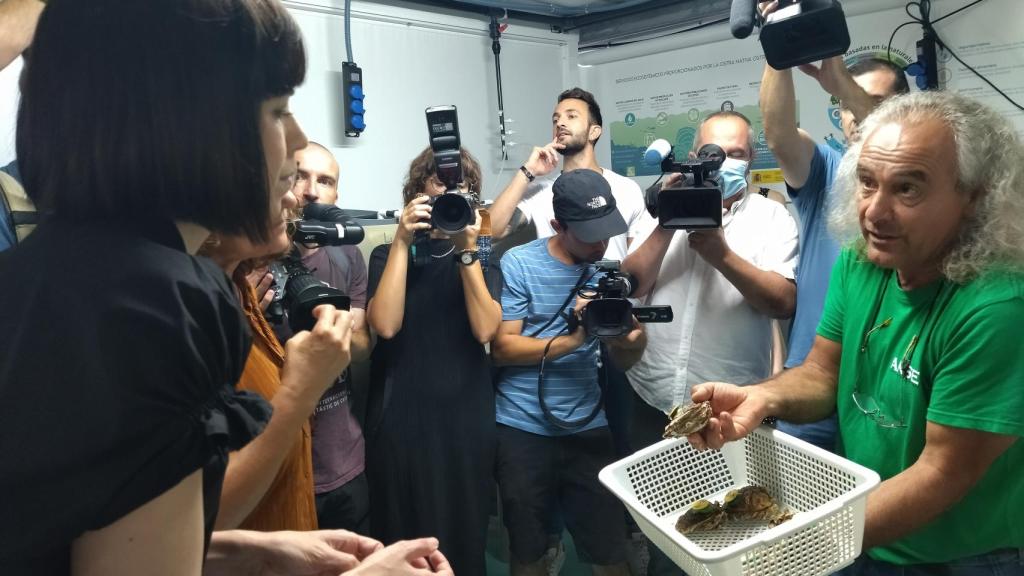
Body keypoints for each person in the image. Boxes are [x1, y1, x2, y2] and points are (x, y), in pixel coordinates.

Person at [0, 1, 452, 574]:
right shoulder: (164, 298)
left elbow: (94, 531)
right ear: (193, 125)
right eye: (277, 110)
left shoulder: (55, 268)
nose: (299, 138)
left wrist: (253, 549)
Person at [689, 90, 1024, 575]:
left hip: (967, 552)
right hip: (869, 522)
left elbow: (944, 471)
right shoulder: (863, 261)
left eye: (908, 188)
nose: (874, 212)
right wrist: (762, 398)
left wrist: (804, 540)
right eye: (868, 183)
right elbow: (823, 372)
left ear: (974, 196)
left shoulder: (996, 307)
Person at [491, 168, 646, 576]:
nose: (599, 244)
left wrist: (630, 343)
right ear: (558, 225)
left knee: (611, 551)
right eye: (588, 234)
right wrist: (574, 340)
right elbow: (502, 348)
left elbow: (626, 359)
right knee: (527, 554)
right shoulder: (520, 263)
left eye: (605, 232)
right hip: (522, 428)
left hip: (587, 425)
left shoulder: (609, 273)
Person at [760, 34, 910, 449]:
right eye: (846, 105)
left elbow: (898, 138)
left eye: (873, 102)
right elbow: (778, 134)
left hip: (888, 377)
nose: (857, 117)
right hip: (813, 370)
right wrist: (779, 42)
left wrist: (842, 81)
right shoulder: (827, 169)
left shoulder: (924, 184)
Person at [365, 146, 502, 576]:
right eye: (441, 181)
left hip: (464, 418)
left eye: (462, 186)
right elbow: (385, 326)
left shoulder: (482, 258)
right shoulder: (387, 257)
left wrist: (467, 250)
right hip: (402, 421)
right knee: (404, 541)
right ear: (418, 191)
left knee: (464, 537)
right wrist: (403, 240)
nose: (451, 191)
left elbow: (485, 330)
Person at [275, 141, 374, 534]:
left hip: (345, 460)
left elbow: (363, 346)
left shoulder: (348, 255)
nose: (311, 190)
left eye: (325, 181)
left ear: (336, 195)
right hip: (282, 464)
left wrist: (334, 333)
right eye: (300, 176)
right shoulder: (253, 257)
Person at [488, 87, 646, 261]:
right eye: (556, 119)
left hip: (613, 287)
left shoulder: (627, 189)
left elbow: (635, 261)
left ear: (594, 131)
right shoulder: (541, 191)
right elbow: (491, 232)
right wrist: (528, 171)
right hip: (559, 287)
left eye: (571, 116)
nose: (560, 123)